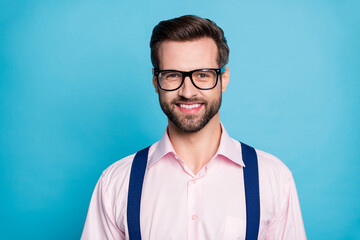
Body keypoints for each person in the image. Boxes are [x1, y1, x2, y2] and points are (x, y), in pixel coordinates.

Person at [81, 15, 306, 240]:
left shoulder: (273, 179)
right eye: (172, 75)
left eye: (202, 75)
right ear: (155, 81)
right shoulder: (116, 183)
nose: (188, 92)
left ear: (224, 78)